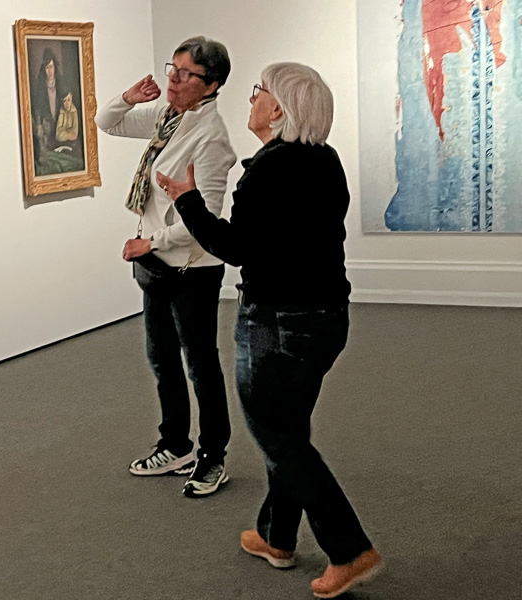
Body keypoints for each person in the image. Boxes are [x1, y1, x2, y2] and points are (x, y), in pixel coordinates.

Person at [156, 62, 382, 597]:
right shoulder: (325, 160)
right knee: (289, 428)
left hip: (277, 324)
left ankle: (350, 549)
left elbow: (234, 248)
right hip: (327, 318)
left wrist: (187, 198)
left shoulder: (268, 170)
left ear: (277, 108)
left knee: (278, 438)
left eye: (258, 91)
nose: (251, 98)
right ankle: (276, 537)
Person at [95, 37, 236, 498]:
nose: (173, 80)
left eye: (186, 74)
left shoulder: (211, 138)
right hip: (157, 263)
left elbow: (204, 221)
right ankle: (175, 444)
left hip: (192, 268)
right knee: (162, 360)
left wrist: (149, 241)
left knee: (200, 365)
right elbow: (106, 123)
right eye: (172, 69)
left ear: (211, 85)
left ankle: (212, 457)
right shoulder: (167, 118)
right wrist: (128, 97)